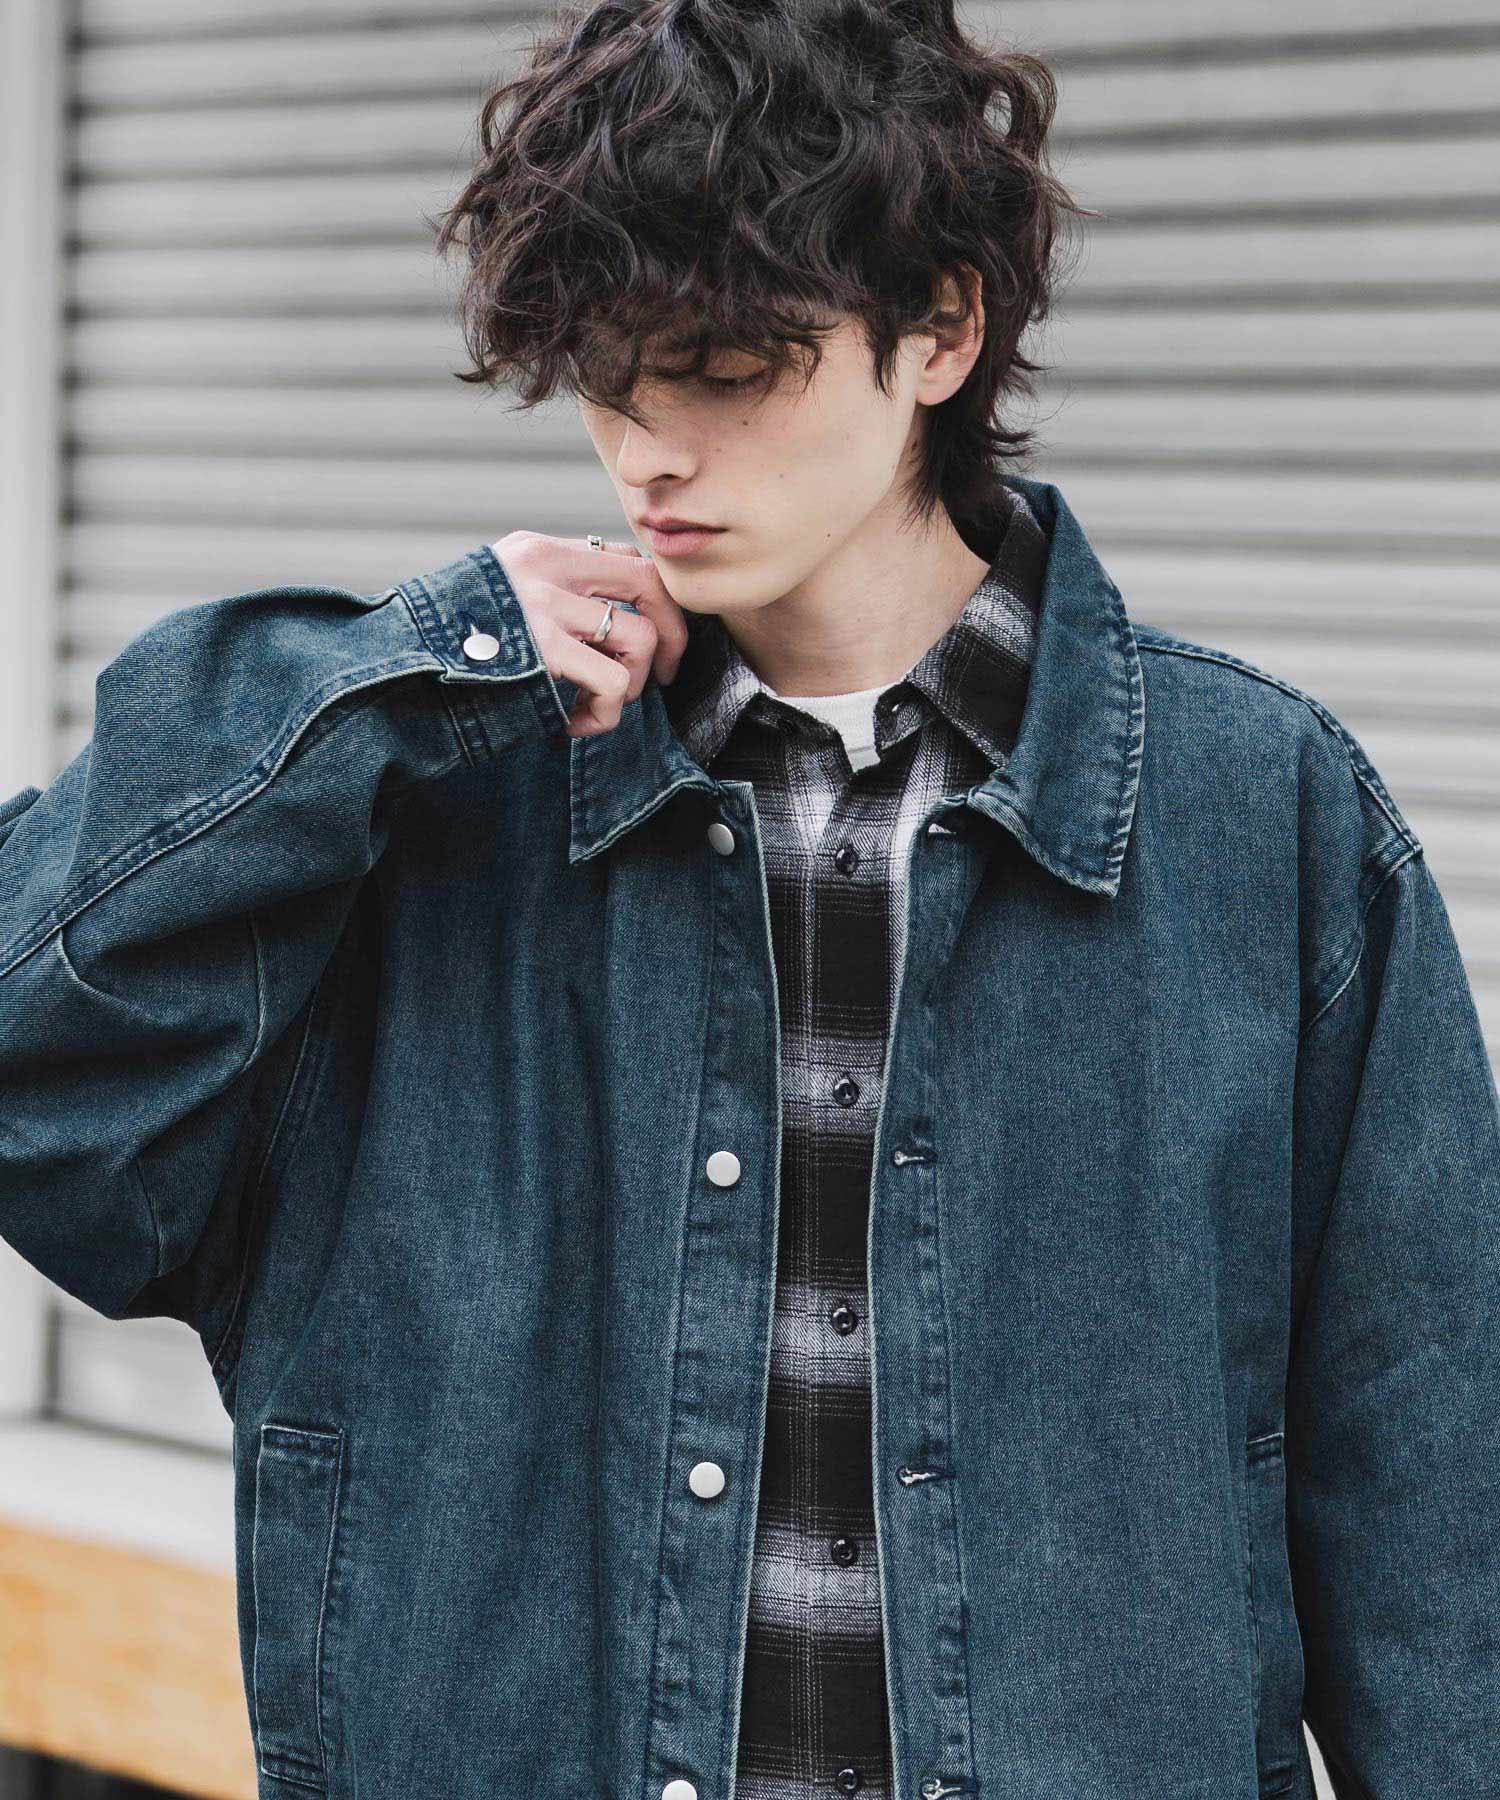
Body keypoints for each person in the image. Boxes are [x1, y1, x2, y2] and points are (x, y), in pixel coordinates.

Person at [2, 2, 1497, 1797]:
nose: (646, 453)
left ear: (939, 330)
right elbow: (33, 1060)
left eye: (720, 367)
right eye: (604, 378)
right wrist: (395, 671)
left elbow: (1436, 1516)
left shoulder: (1262, 820)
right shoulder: (433, 814)